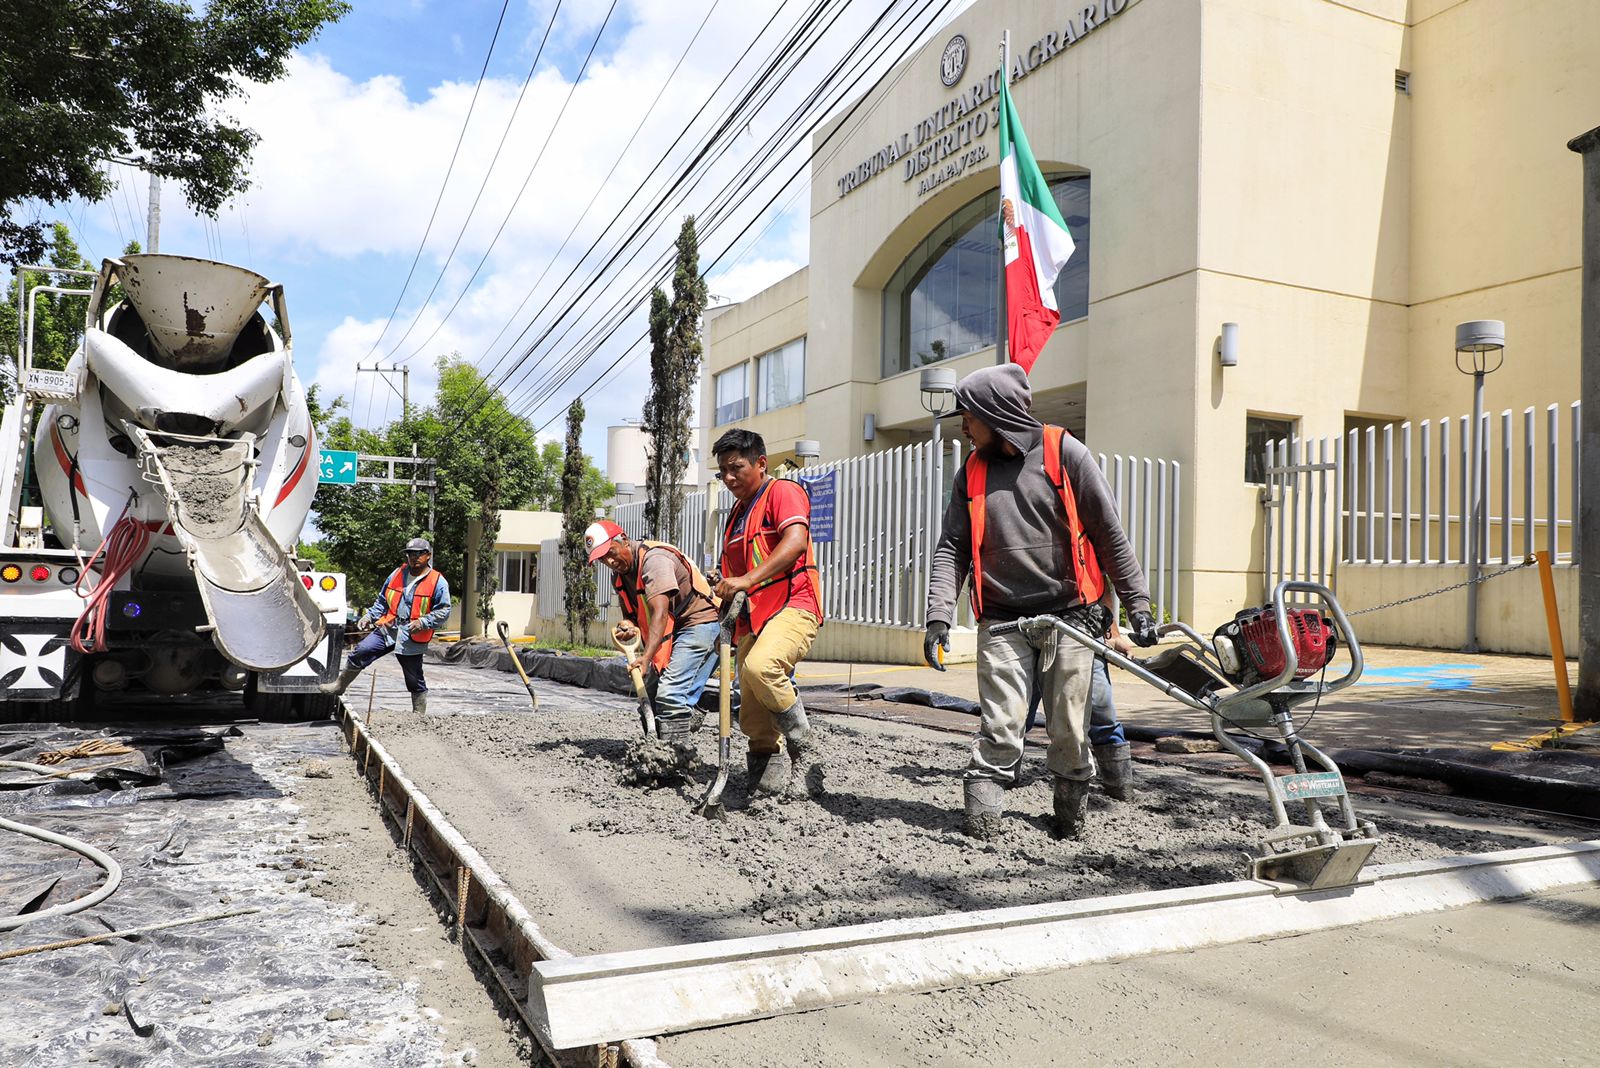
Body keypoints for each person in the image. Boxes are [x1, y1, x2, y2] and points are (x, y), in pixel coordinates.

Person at [925, 364, 1157, 841]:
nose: (963, 425)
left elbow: (1108, 533)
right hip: (1003, 619)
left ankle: (1070, 819)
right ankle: (982, 822)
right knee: (1001, 722)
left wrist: (1138, 606)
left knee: (1071, 729)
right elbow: (953, 547)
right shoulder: (970, 471)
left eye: (969, 416)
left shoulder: (1064, 453)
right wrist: (938, 614)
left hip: (1071, 615)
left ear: (996, 412)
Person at [712, 428, 825, 800]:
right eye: (722, 471)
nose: (729, 478)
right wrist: (724, 583)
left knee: (762, 667)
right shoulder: (737, 514)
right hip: (754, 617)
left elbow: (793, 544)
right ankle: (766, 773)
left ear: (761, 463)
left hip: (794, 604)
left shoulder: (783, 493)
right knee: (753, 716)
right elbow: (737, 573)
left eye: (736, 468)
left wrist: (744, 579)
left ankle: (805, 747)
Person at [584, 519, 722, 742]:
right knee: (650, 694)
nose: (609, 561)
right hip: (672, 630)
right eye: (602, 559)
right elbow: (632, 616)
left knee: (670, 695)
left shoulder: (655, 561)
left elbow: (659, 612)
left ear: (624, 541)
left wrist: (646, 657)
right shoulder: (619, 575)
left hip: (701, 622)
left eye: (611, 552)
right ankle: (658, 749)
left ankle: (674, 762)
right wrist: (627, 626)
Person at [1024, 589, 1136, 801]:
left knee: (1101, 711)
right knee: (1017, 716)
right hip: (1025, 630)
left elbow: (1100, 580)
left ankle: (1120, 787)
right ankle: (1005, 778)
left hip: (1082, 628)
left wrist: (1111, 634)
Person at [321, 537, 452, 715]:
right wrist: (370, 615)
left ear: (428, 555)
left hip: (412, 634)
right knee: (362, 650)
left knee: (414, 677)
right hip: (389, 627)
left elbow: (444, 610)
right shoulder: (398, 573)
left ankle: (418, 714)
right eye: (410, 554)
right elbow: (383, 600)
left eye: (418, 554)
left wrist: (423, 622)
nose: (413, 558)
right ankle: (339, 685)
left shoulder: (438, 581)